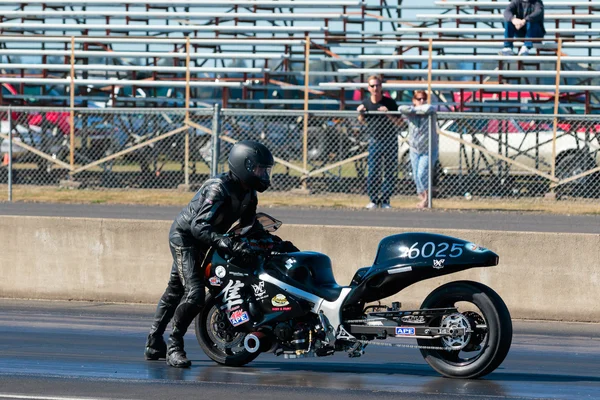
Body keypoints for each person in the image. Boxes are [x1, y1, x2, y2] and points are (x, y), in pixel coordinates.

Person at [144, 140, 274, 368]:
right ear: (243, 165)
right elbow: (198, 226)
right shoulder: (218, 187)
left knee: (175, 290)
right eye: (258, 169)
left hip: (208, 240)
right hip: (186, 238)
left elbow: (247, 225)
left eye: (264, 169)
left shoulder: (249, 193)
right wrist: (227, 244)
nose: (262, 174)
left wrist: (268, 240)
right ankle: (174, 347)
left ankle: (153, 342)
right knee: (194, 294)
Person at [356, 75, 399, 209]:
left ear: (381, 87)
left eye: (377, 85)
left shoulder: (390, 102)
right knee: (373, 171)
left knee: (389, 171)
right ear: (369, 88)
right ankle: (373, 199)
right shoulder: (367, 103)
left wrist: (388, 113)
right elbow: (362, 122)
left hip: (390, 140)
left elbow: (399, 123)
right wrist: (361, 114)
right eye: (372, 86)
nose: (375, 88)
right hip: (375, 141)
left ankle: (385, 200)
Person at [399, 90, 438, 209]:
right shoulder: (411, 113)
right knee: (416, 176)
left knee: (422, 174)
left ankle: (427, 200)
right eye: (419, 99)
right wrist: (414, 110)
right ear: (414, 101)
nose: (422, 101)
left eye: (423, 99)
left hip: (428, 149)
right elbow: (401, 108)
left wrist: (416, 110)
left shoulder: (430, 111)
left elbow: (429, 108)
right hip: (414, 149)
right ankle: (424, 199)